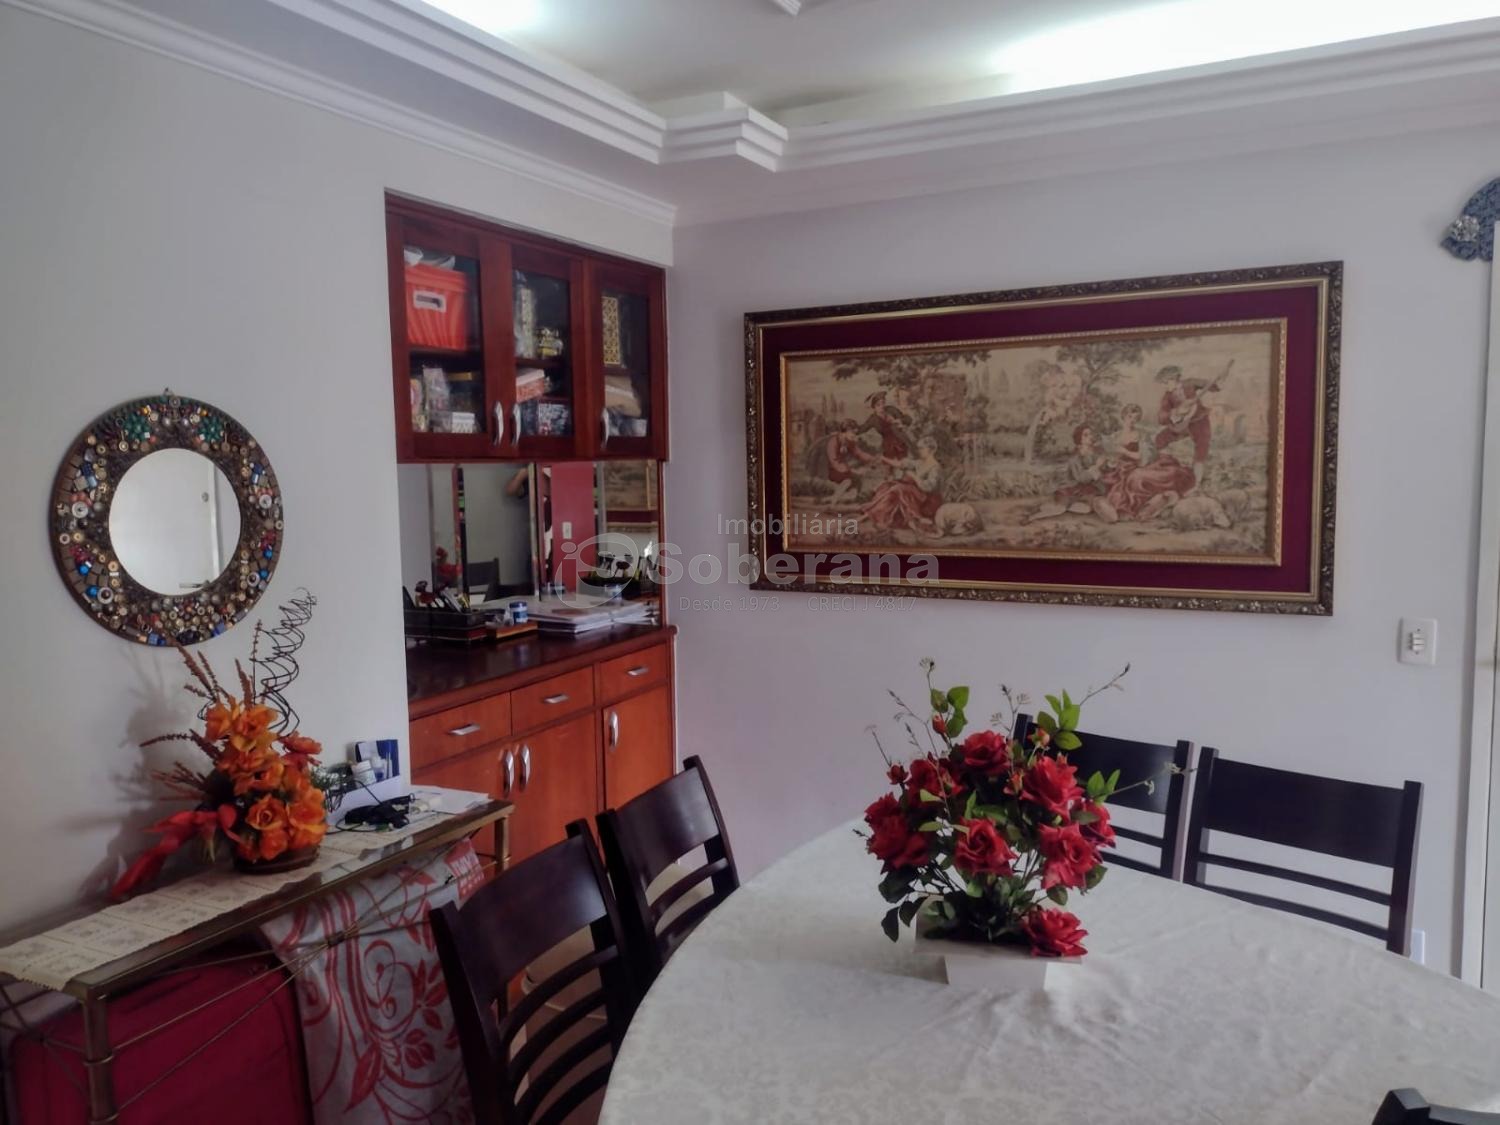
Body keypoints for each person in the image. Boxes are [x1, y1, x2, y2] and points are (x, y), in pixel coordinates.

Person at [1107, 404, 1196, 520]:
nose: (1132, 420)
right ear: (1123, 416)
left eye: (1136, 418)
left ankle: (1156, 503)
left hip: (1140, 465)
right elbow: (1110, 456)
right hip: (1121, 469)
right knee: (1121, 488)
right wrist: (1112, 460)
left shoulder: (1141, 435)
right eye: (1130, 416)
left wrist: (1123, 451)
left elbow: (1142, 457)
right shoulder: (1115, 436)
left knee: (1143, 476)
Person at [1153, 362, 1231, 483]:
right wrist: (1177, 412)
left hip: (1199, 420)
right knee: (1160, 439)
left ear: (1173, 379)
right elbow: (1161, 417)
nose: (1164, 386)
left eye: (1165, 383)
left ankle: (1196, 480)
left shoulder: (1190, 383)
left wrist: (1221, 379)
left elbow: (1212, 386)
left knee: (1202, 447)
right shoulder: (1167, 396)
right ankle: (1168, 468)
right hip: (1181, 426)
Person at [1027, 425, 1118, 523]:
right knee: (1059, 509)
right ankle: (1034, 516)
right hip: (1070, 489)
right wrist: (1096, 466)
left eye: (1091, 434)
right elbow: (1081, 478)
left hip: (1084, 490)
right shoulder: (1075, 458)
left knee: (1087, 508)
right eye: (1086, 435)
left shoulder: (1094, 453)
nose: (1090, 437)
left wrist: (1109, 464)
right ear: (1079, 439)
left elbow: (1103, 468)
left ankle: (1070, 506)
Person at [861, 435, 944, 533]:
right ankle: (876, 515)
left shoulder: (935, 467)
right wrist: (883, 458)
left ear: (931, 450)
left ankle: (872, 514)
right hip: (917, 494)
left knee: (898, 489)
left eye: (922, 448)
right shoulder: (920, 463)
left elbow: (929, 487)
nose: (919, 451)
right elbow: (901, 464)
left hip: (927, 501)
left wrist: (914, 477)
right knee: (888, 486)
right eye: (918, 448)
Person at [805, 418, 879, 504]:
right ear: (845, 432)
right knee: (848, 480)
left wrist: (873, 459)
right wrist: (852, 471)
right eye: (853, 433)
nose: (854, 435)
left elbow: (859, 453)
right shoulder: (833, 442)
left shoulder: (849, 441)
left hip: (840, 468)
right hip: (828, 469)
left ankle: (830, 500)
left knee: (857, 483)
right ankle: (833, 502)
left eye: (855, 433)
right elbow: (834, 461)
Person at [859, 390, 911, 460]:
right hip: (888, 446)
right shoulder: (873, 419)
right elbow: (861, 429)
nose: (882, 406)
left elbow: (908, 419)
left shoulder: (891, 410)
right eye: (878, 405)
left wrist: (899, 421)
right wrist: (848, 429)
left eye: (883, 403)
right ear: (873, 407)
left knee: (908, 460)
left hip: (902, 440)